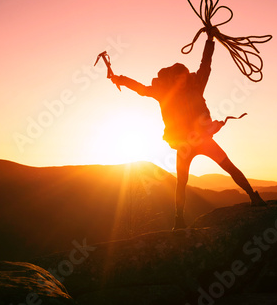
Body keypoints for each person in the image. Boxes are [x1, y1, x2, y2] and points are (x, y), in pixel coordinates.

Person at [110, 27, 266, 230]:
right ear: (173, 79)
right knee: (182, 181)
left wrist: (210, 40)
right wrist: (120, 78)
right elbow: (140, 88)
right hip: (188, 142)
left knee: (227, 167)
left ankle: (253, 196)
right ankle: (179, 219)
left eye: (184, 77)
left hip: (198, 140)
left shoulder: (192, 85)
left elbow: (205, 65)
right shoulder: (166, 92)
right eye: (178, 78)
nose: (182, 80)